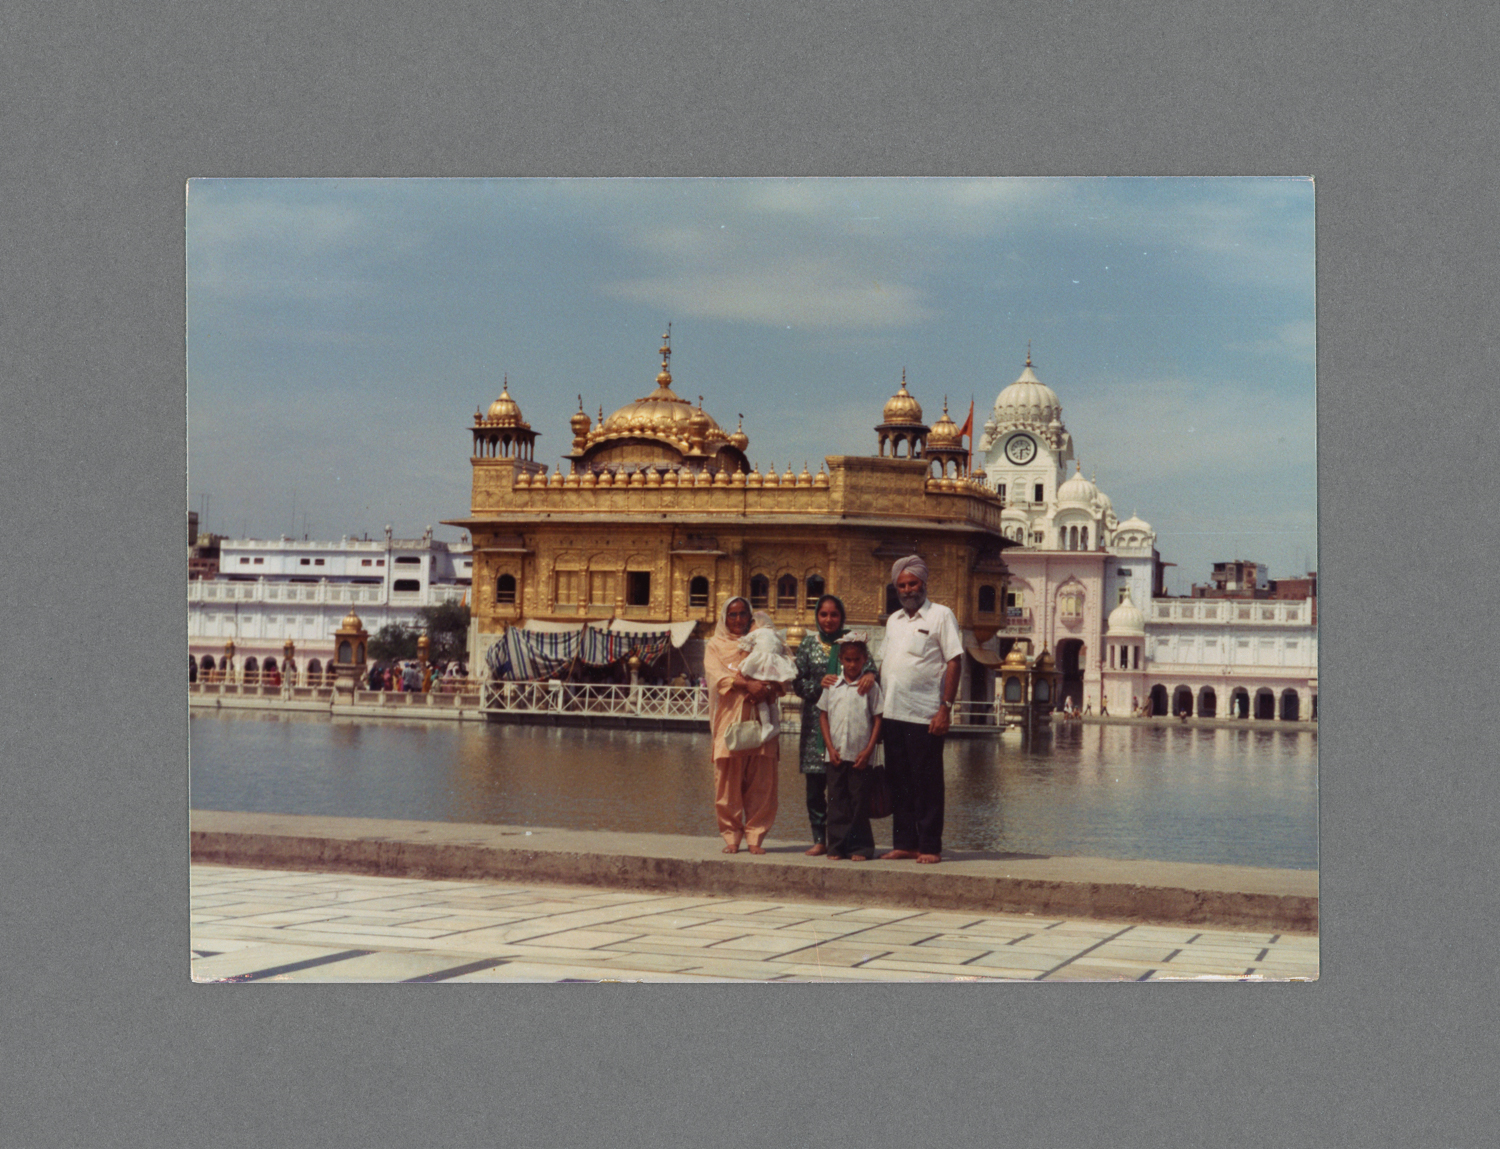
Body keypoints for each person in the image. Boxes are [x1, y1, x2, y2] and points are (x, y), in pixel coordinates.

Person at [878, 555, 962, 865]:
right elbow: (884, 663)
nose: (907, 589)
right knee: (898, 781)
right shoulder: (894, 621)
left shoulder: (941, 616)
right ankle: (905, 843)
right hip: (893, 713)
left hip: (925, 714)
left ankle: (929, 846)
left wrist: (945, 708)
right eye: (902, 585)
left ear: (923, 585)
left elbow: (954, 660)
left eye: (912, 583)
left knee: (927, 783)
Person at [791, 594, 875, 856]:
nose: (828, 620)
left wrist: (870, 675)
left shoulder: (853, 643)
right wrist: (820, 685)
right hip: (818, 721)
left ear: (842, 617)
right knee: (816, 786)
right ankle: (820, 838)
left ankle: (848, 842)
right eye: (823, 614)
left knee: (849, 789)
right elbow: (796, 682)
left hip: (850, 727)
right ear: (817, 616)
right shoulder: (807, 644)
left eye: (834, 615)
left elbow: (870, 671)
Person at [703, 596, 783, 855]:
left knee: (763, 781)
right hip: (730, 720)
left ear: (751, 617)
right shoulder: (715, 645)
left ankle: (755, 837)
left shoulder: (765, 639)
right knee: (727, 780)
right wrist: (746, 685)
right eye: (732, 615)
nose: (738, 620)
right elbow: (716, 675)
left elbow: (784, 672)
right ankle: (731, 836)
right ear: (725, 618)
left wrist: (766, 687)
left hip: (762, 721)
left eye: (742, 614)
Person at [817, 633, 883, 861]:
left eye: (857, 660)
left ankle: (860, 848)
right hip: (835, 753)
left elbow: (878, 720)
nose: (852, 664)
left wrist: (869, 750)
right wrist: (829, 747)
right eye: (847, 660)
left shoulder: (870, 687)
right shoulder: (832, 685)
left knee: (859, 802)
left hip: (860, 755)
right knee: (836, 801)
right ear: (841, 660)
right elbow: (823, 716)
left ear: (864, 659)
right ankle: (836, 846)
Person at [736, 609, 798, 743]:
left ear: (756, 623)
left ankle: (766, 724)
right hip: (775, 666)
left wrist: (742, 666)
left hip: (761, 664)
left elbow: (745, 648)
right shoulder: (776, 634)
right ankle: (775, 724)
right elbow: (786, 649)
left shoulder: (755, 633)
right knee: (771, 696)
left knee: (760, 695)